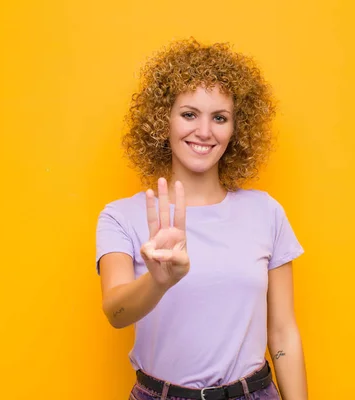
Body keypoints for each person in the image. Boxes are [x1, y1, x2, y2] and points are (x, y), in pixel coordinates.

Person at [95, 38, 308, 400]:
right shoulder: (121, 216)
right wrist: (159, 281)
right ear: (163, 120)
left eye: (220, 118)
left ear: (236, 129)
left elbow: (284, 331)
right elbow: (115, 312)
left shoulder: (265, 211)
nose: (204, 132)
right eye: (189, 114)